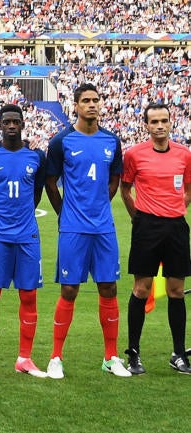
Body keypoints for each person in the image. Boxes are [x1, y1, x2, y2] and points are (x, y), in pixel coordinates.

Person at [44, 83, 130, 379]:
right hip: (73, 228)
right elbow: (51, 182)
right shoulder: (61, 141)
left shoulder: (112, 141)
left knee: (109, 287)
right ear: (76, 106)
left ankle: (111, 357)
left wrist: (97, 206)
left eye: (96, 100)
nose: (92, 105)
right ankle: (56, 357)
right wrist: (65, 212)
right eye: (86, 101)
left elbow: (115, 180)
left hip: (103, 228)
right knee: (69, 289)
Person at [0, 104, 47, 379]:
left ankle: (24, 359)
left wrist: (22, 218)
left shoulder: (36, 156)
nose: (12, 125)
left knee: (29, 295)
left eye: (16, 121)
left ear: (23, 124)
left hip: (27, 236)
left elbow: (37, 192)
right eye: (7, 122)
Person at [121, 103, 191, 375]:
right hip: (146, 227)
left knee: (176, 290)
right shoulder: (134, 155)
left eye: (164, 120)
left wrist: (178, 208)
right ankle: (134, 354)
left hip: (176, 228)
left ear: (171, 122)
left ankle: (178, 354)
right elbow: (125, 190)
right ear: (146, 125)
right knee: (141, 288)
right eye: (154, 121)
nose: (160, 125)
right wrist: (137, 217)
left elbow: (187, 188)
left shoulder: (184, 154)